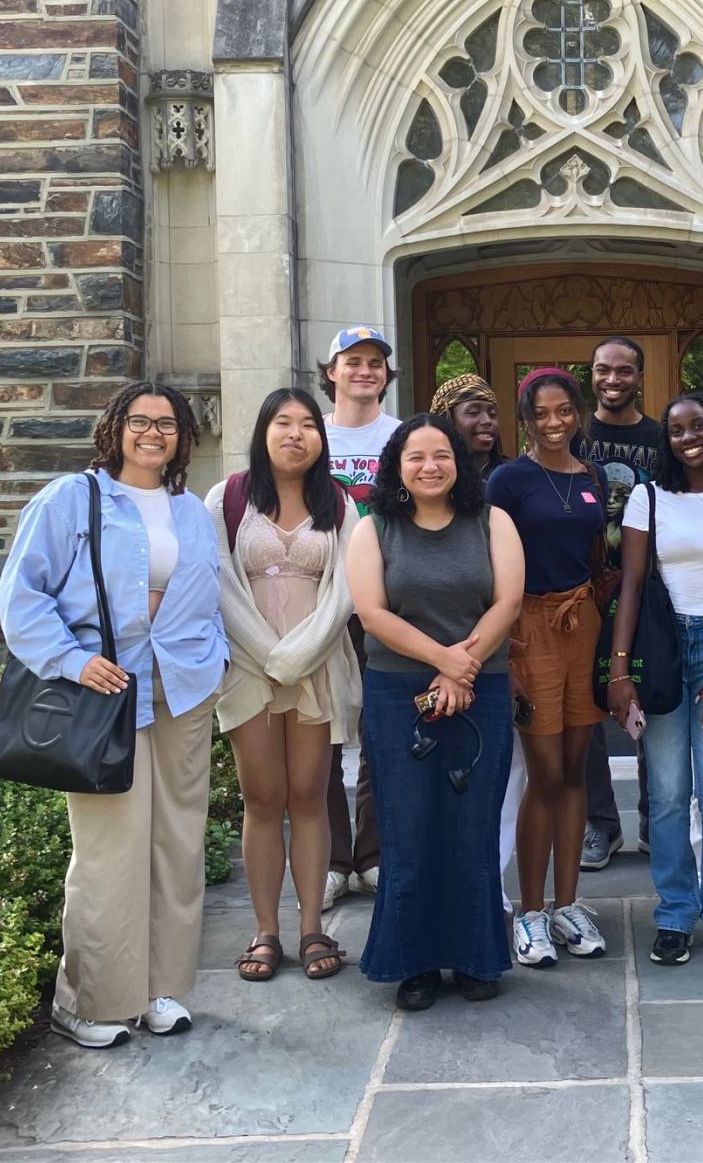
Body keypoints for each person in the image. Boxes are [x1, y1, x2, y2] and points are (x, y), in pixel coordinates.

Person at [0, 381, 227, 1048]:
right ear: (115, 427)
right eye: (140, 421)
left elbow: (206, 597)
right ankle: (89, 1000)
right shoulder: (74, 498)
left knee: (176, 846)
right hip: (104, 695)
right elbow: (23, 594)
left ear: (184, 437)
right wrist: (71, 661)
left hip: (179, 695)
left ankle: (159, 988)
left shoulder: (188, 510)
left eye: (168, 424)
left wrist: (210, 664)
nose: (154, 433)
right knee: (110, 852)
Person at [346, 414, 524, 1009]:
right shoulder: (374, 530)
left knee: (473, 826)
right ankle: (413, 961)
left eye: (441, 455)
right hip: (399, 694)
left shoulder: (492, 521)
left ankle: (478, 957)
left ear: (460, 462)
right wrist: (444, 662)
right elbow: (372, 614)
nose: (430, 466)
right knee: (410, 827)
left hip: (482, 691)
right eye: (417, 456)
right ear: (397, 465)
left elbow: (508, 601)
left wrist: (462, 666)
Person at [207, 389, 361, 983]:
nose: (295, 433)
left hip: (318, 665)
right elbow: (219, 583)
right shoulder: (228, 498)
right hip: (249, 668)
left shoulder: (339, 502)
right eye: (282, 422)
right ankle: (267, 929)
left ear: (320, 439)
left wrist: (297, 656)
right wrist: (270, 657)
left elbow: (346, 590)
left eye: (306, 424)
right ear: (264, 432)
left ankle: (311, 928)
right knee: (263, 798)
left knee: (310, 795)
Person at [607, 392, 703, 965]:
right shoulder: (648, 497)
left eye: (698, 426)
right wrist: (620, 672)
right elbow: (632, 587)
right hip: (666, 652)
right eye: (675, 430)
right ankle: (673, 913)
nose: (688, 437)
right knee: (667, 794)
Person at [486, 367, 610, 965]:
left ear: (577, 414)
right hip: (528, 627)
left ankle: (568, 905)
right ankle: (529, 912)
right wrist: (503, 648)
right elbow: (491, 564)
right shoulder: (509, 480)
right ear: (526, 421)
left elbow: (595, 557)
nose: (554, 423)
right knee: (544, 770)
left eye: (564, 411)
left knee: (576, 768)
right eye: (542, 414)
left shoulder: (592, 477)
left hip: (581, 623)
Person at [430, 371, 524, 914]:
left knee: (503, 768)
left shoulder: (508, 481)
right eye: (472, 411)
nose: (486, 421)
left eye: (491, 412)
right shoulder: (425, 481)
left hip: (497, 645)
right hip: (433, 647)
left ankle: (493, 880)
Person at [317, 325, 403, 909]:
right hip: (320, 597)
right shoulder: (310, 434)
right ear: (331, 372)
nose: (364, 371)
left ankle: (372, 854)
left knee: (381, 727)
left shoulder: (401, 437)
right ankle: (330, 859)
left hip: (388, 597)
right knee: (321, 727)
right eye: (353, 361)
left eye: (375, 362)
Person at [576, 336, 662, 871]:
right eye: (603, 370)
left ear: (639, 376)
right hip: (582, 591)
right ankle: (601, 825)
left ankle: (657, 819)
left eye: (624, 371)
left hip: (648, 589)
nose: (613, 380)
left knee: (647, 702)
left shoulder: (660, 437)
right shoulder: (574, 435)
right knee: (587, 709)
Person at [430, 371, 506, 481]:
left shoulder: (512, 477)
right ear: (446, 420)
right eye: (473, 412)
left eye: (492, 414)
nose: (487, 421)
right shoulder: (430, 476)